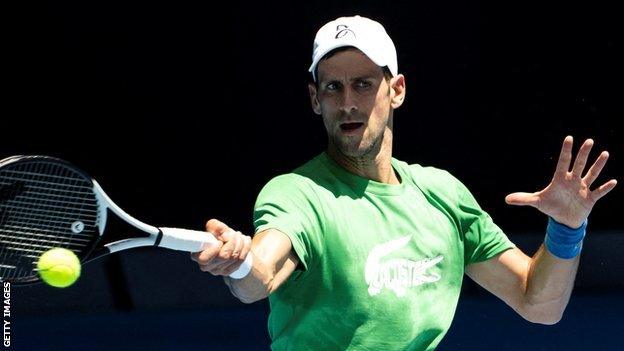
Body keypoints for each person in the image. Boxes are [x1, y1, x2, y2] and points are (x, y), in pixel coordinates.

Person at [190, 15, 617, 350]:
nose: (348, 103)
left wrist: (566, 228)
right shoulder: (297, 194)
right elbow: (260, 277)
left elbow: (538, 304)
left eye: (363, 84)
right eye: (333, 88)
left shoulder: (442, 195)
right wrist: (240, 262)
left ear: (396, 90)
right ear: (314, 100)